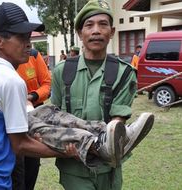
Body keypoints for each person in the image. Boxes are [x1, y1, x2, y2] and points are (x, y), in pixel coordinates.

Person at [0, 2, 76, 190]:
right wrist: (66, 152)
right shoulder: (10, 80)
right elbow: (20, 145)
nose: (28, 43)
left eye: (28, 37)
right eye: (20, 37)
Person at [50, 0, 152, 189]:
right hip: (73, 168)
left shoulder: (124, 72)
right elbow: (54, 116)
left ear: (112, 32)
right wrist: (68, 142)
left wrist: (109, 139)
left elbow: (117, 120)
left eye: (103, 24)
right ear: (80, 33)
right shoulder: (62, 71)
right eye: (89, 25)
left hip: (109, 168)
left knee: (113, 133)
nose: (96, 30)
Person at [14, 49, 51, 190]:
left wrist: (31, 97)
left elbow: (47, 85)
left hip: (33, 115)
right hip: (12, 118)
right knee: (16, 169)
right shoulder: (1, 64)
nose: (27, 42)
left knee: (32, 164)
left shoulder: (33, 55)